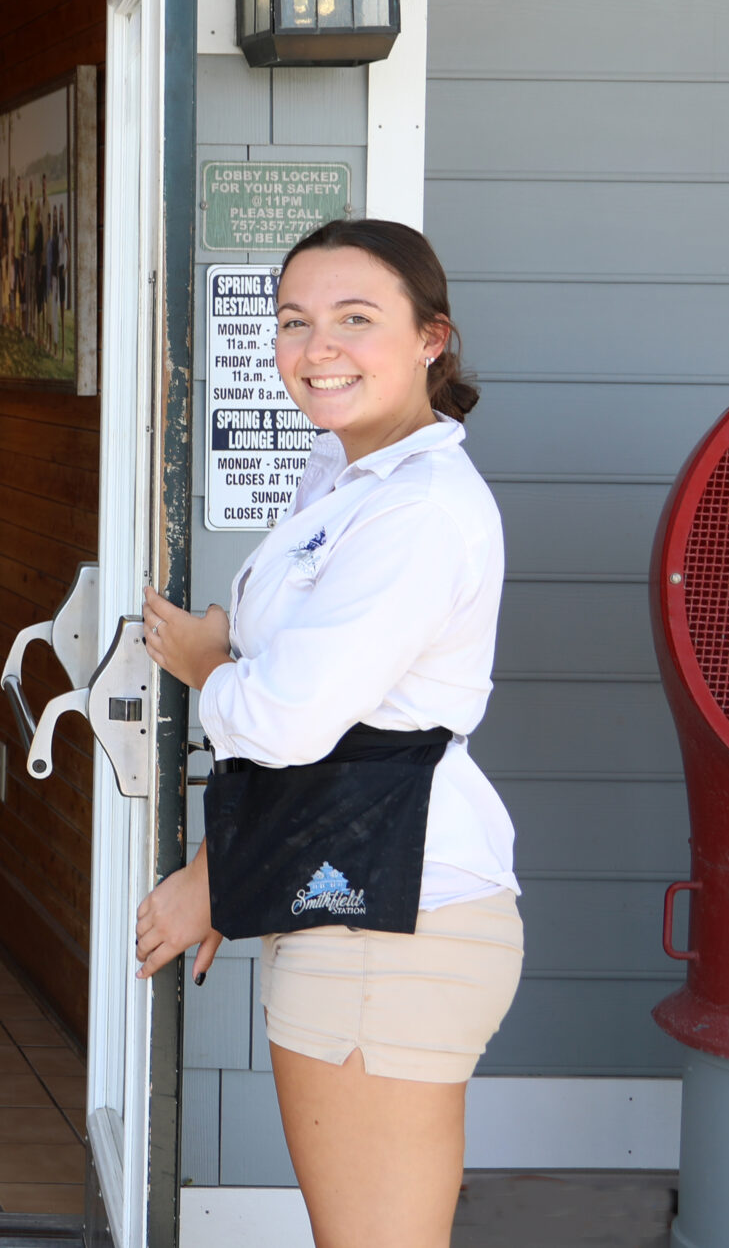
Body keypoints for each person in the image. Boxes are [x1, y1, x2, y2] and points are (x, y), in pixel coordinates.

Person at [133, 217, 519, 1248]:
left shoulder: (418, 510)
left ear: (430, 338)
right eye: (295, 322)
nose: (317, 349)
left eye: (356, 318)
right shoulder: (340, 475)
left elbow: (292, 723)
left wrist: (212, 668)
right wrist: (231, 866)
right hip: (354, 900)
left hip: (394, 921)